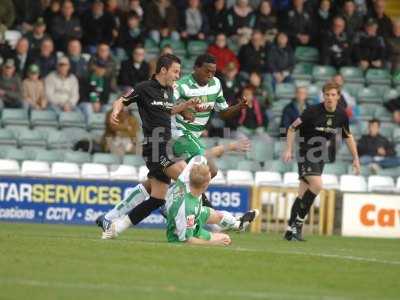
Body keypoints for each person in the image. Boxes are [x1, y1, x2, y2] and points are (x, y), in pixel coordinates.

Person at [96, 54, 198, 235]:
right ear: (163, 70)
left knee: (157, 198)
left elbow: (167, 111)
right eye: (175, 71)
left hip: (166, 145)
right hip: (156, 146)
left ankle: (113, 225)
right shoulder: (143, 88)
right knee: (189, 178)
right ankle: (213, 222)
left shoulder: (169, 91)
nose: (177, 76)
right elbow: (122, 100)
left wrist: (185, 107)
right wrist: (116, 110)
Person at [101, 140, 252, 239]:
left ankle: (236, 224)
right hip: (160, 150)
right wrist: (215, 240)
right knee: (201, 222)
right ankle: (113, 222)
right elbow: (187, 240)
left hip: (161, 150)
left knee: (155, 195)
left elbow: (207, 156)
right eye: (209, 176)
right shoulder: (189, 191)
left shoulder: (189, 170)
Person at [282, 82, 360, 241]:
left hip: (320, 155)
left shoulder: (341, 115)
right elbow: (291, 128)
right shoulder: (311, 111)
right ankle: (298, 223)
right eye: (327, 95)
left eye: (333, 95)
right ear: (323, 96)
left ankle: (290, 230)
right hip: (306, 152)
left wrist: (356, 158)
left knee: (303, 193)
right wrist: (288, 149)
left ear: (338, 96)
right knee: (317, 185)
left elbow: (348, 136)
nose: (330, 98)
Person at [165, 156, 259, 245]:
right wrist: (213, 243)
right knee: (226, 239)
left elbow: (199, 157)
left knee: (218, 215)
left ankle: (238, 224)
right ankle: (214, 234)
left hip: (189, 211)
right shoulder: (187, 208)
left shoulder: (185, 178)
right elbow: (187, 240)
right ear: (205, 185)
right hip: (181, 236)